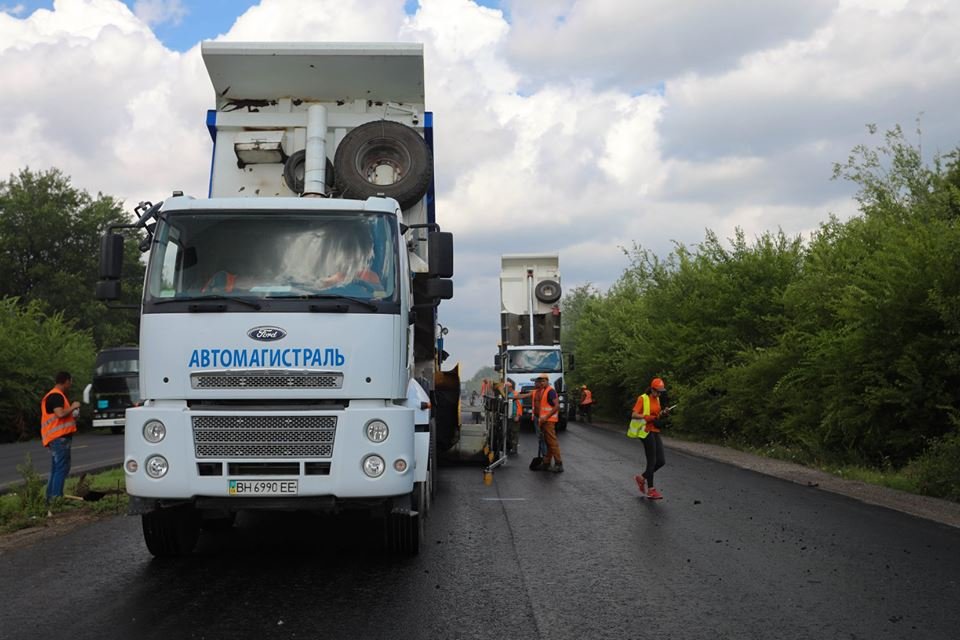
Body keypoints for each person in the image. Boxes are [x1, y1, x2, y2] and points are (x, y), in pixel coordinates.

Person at [40, 371, 81, 504]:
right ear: (66, 381)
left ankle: (50, 497)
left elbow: (61, 416)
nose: (71, 384)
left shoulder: (54, 395)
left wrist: (73, 415)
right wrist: (73, 406)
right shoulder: (56, 396)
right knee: (61, 468)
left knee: (56, 468)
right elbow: (60, 414)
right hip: (59, 438)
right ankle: (56, 498)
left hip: (56, 438)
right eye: (71, 381)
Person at [630, 377, 671, 499]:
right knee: (652, 461)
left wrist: (663, 413)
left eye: (661, 392)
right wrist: (646, 417)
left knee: (661, 461)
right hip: (645, 431)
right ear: (652, 389)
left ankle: (642, 478)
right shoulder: (642, 398)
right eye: (658, 391)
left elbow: (656, 415)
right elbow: (634, 414)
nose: (659, 394)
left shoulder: (657, 399)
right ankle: (651, 490)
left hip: (654, 430)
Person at [522, 374, 563, 472]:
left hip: (549, 421)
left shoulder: (551, 391)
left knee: (552, 442)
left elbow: (557, 406)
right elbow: (525, 396)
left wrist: (546, 417)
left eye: (543, 381)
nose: (541, 383)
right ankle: (546, 463)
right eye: (540, 381)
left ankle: (559, 464)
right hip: (543, 421)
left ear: (547, 381)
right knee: (547, 442)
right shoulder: (540, 391)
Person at [504, 380, 522, 455]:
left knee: (514, 432)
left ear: (510, 387)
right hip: (509, 415)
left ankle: (514, 449)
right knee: (509, 432)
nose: (505, 389)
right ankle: (510, 447)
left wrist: (518, 416)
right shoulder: (507, 394)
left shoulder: (516, 394)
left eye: (506, 387)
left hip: (514, 415)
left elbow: (519, 406)